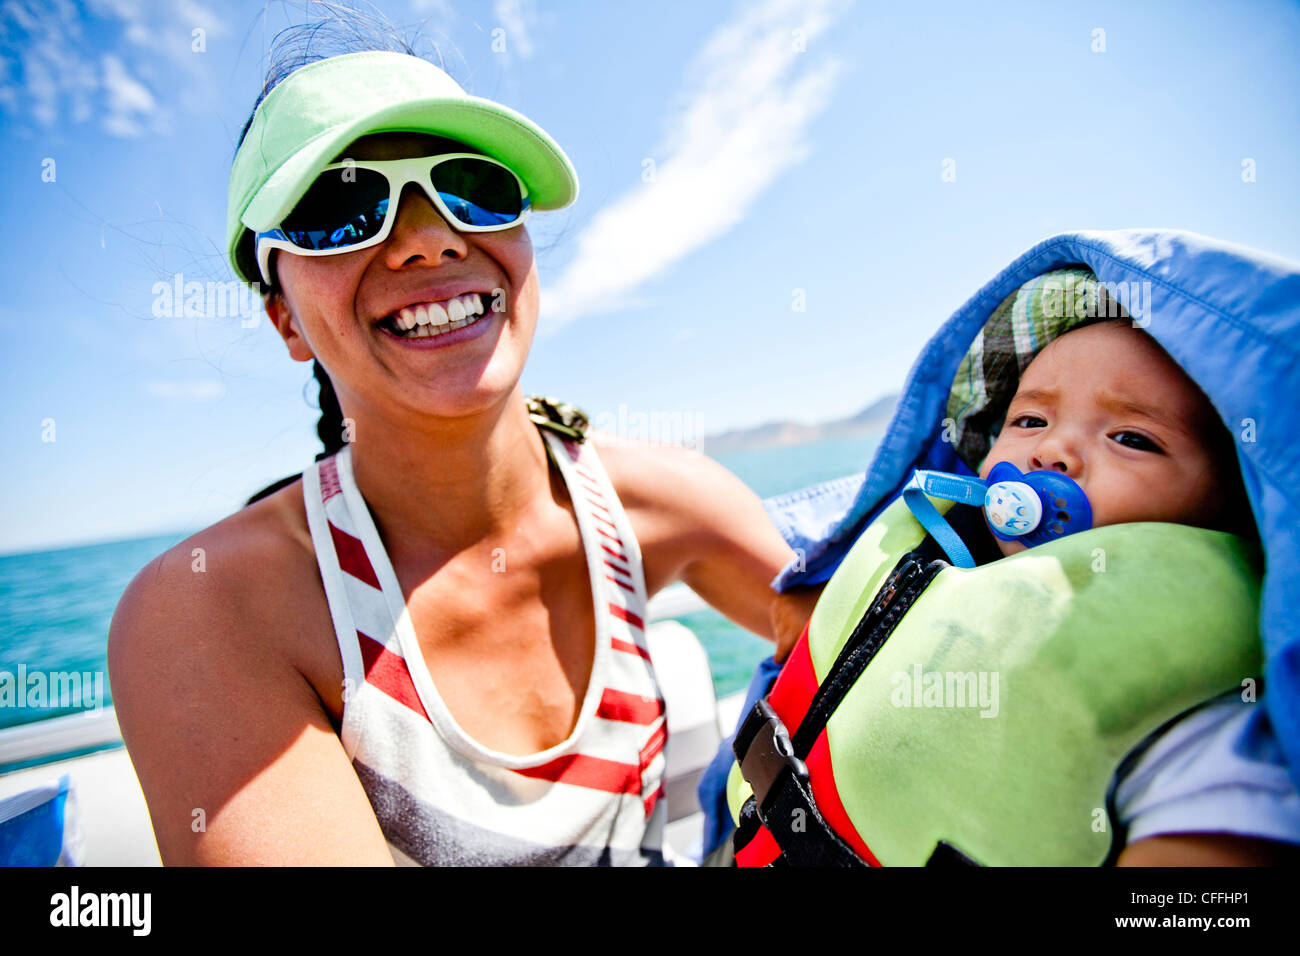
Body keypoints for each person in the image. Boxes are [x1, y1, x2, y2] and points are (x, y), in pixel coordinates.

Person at [107, 39, 816, 866]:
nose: (429, 241)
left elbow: (863, 653)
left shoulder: (661, 501)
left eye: (473, 190)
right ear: (287, 321)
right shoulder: (207, 613)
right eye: (342, 207)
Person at [718, 269, 1300, 866]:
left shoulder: (1204, 721)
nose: (1050, 451)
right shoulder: (935, 552)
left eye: (1130, 437)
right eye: (1029, 421)